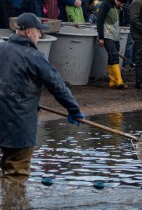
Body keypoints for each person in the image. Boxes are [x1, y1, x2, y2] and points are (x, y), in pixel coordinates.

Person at [0, 13, 83, 181]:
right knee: (16, 174)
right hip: (20, 125)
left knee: (5, 171)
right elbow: (57, 85)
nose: (40, 34)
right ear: (29, 31)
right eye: (39, 31)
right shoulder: (35, 57)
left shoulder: (2, 48)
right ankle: (15, 205)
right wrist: (73, 109)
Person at [96, 0, 130, 89]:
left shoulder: (117, 6)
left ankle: (112, 81)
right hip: (107, 35)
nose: (122, 5)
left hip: (115, 35)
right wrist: (101, 37)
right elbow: (99, 21)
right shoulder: (106, 4)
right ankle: (119, 81)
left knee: (112, 56)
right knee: (114, 55)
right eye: (121, 3)